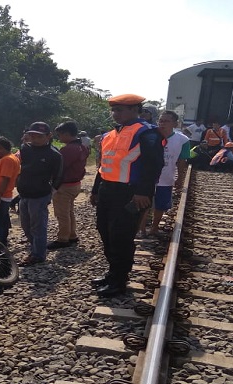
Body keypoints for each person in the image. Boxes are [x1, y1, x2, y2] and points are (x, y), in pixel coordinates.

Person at [90, 94, 164, 297]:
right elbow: (104, 165)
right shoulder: (109, 135)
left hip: (130, 192)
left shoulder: (146, 133)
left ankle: (119, 281)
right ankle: (112, 273)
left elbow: (153, 165)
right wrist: (96, 190)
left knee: (121, 236)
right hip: (107, 189)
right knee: (105, 232)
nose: (115, 114)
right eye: (113, 110)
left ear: (135, 110)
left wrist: (144, 192)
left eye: (120, 110)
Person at [17, 122, 63, 267]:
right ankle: (36, 247)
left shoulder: (54, 155)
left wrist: (51, 193)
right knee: (25, 224)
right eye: (32, 135)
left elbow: (59, 176)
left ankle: (38, 254)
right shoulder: (25, 149)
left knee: (38, 225)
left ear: (49, 136)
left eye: (38, 136)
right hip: (24, 194)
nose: (34, 138)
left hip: (39, 196)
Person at [140, 111, 190, 237]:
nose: (162, 124)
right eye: (161, 121)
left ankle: (154, 228)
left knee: (160, 206)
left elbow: (182, 161)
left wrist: (180, 178)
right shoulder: (149, 136)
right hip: (147, 178)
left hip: (166, 178)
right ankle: (141, 229)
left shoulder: (183, 140)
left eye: (166, 121)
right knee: (143, 204)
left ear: (175, 123)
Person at [48, 121, 89, 249]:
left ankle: (63, 239)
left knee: (62, 213)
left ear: (66, 134)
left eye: (60, 135)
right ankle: (72, 235)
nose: (59, 138)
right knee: (69, 211)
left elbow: (59, 167)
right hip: (75, 184)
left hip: (65, 185)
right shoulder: (82, 147)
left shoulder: (68, 149)